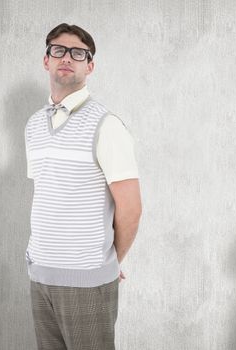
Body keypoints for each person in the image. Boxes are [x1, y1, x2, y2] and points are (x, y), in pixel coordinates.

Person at [24, 23, 142, 350]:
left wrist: (111, 263)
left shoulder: (107, 126)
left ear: (90, 66)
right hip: (41, 276)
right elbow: (49, 194)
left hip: (87, 283)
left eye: (79, 53)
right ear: (46, 60)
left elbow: (131, 209)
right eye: (58, 50)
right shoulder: (34, 125)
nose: (67, 58)